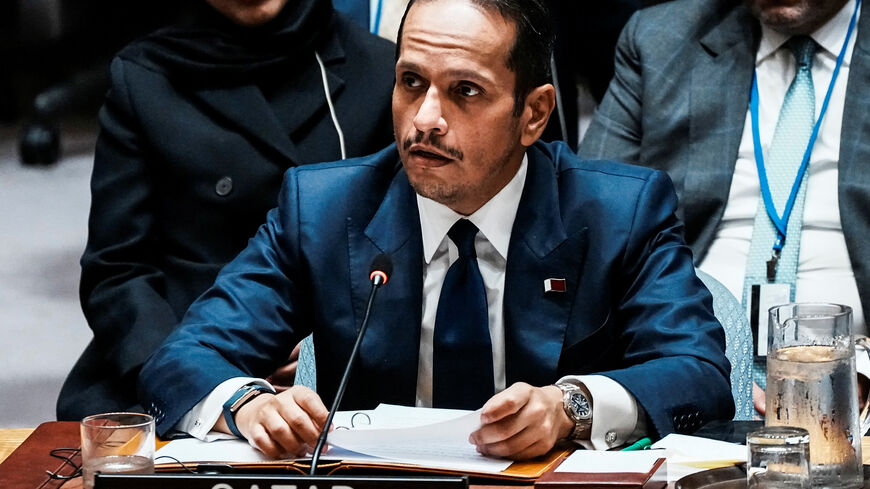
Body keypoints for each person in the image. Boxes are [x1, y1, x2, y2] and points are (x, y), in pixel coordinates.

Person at [139, 0, 733, 460]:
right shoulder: (322, 207)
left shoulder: (618, 210)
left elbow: (698, 373)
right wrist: (246, 406)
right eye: (411, 82)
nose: (425, 119)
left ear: (534, 114)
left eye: (464, 91)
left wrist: (569, 406)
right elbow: (185, 357)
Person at [57, 0, 396, 421]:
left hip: (331, 361)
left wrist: (319, 350)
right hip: (173, 348)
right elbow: (117, 270)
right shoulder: (144, 75)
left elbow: (405, 250)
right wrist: (195, 373)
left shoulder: (383, 71)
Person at [579, 0, 870, 413]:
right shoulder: (663, 39)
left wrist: (858, 371)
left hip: (853, 392)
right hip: (686, 369)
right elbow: (590, 222)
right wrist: (687, 375)